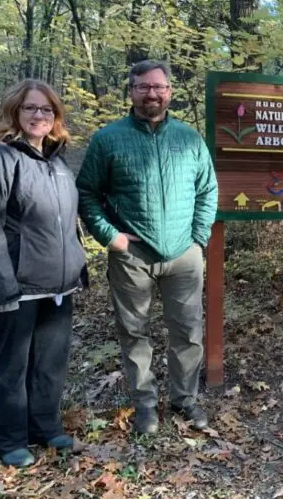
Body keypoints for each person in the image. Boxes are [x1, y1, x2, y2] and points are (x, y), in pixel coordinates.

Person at [76, 60, 218, 434]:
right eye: (143, 87)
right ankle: (145, 407)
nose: (152, 93)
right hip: (132, 255)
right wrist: (111, 236)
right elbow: (87, 194)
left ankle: (185, 400)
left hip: (184, 254)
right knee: (134, 332)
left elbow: (207, 190)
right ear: (131, 91)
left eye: (159, 86)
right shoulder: (108, 139)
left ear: (170, 91)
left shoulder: (189, 139)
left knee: (187, 332)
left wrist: (198, 237)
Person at [0, 80, 87, 467]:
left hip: (59, 283)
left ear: (56, 118)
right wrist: (2, 285)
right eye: (30, 108)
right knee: (11, 365)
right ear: (14, 112)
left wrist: (79, 265)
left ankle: (44, 427)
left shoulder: (56, 162)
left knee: (50, 362)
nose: (39, 116)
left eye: (46, 110)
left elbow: (66, 222)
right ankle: (4, 439)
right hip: (17, 284)